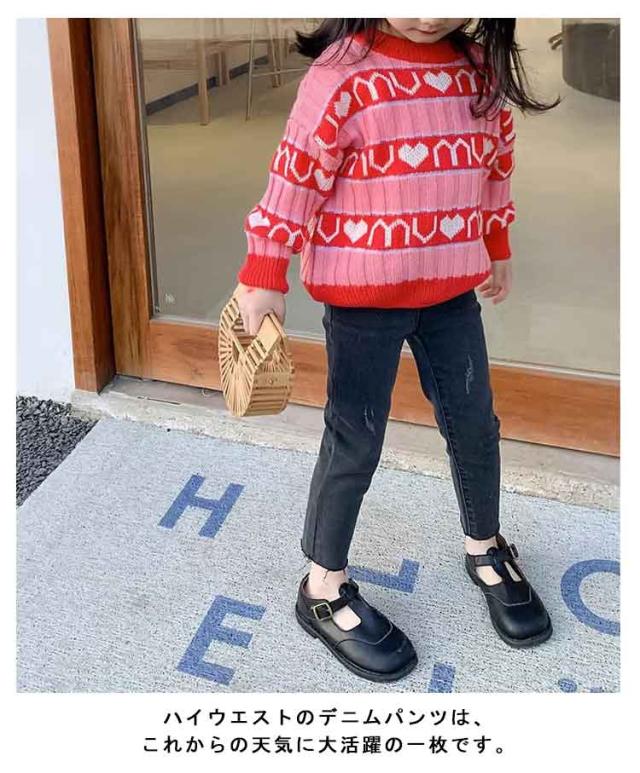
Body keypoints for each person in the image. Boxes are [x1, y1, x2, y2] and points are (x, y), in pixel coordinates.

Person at [235, 18, 559, 683]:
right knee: (354, 438)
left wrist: (495, 243)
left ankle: (485, 546)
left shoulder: (478, 70)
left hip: (450, 291)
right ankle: (322, 587)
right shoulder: (341, 74)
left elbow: (494, 165)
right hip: (361, 298)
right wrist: (263, 270)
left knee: (475, 423)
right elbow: (295, 175)